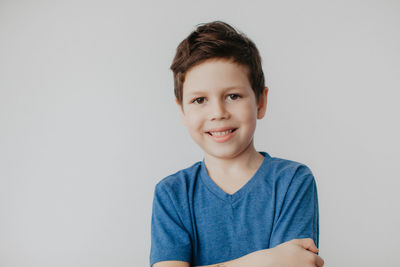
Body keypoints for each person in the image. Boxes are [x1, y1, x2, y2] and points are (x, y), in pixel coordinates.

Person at [150, 21, 324, 267]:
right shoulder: (171, 194)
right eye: (200, 100)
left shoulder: (292, 181)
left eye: (233, 96)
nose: (218, 113)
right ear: (182, 111)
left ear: (261, 103)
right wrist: (263, 261)